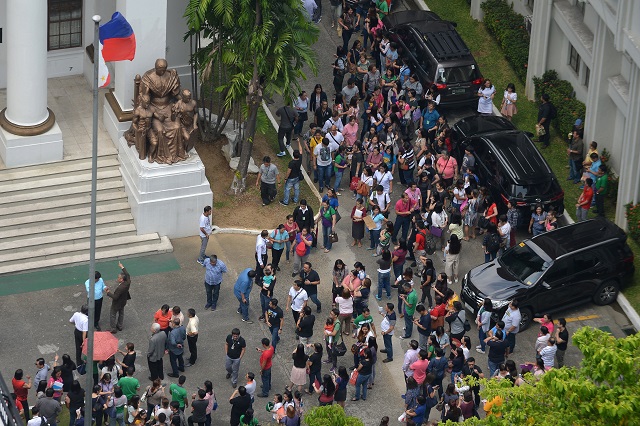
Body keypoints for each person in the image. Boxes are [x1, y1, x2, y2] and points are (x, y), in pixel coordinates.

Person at [104, 262, 131, 333]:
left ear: (121, 279)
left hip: (117, 303)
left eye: (118, 278)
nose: (117, 278)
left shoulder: (120, 288)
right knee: (121, 313)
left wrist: (108, 292)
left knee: (113, 314)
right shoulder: (128, 282)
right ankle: (120, 326)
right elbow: (127, 274)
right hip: (123, 301)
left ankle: (113, 328)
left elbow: (115, 297)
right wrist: (122, 267)